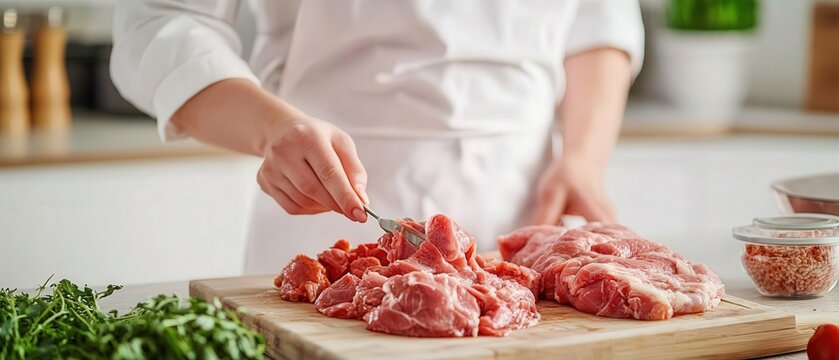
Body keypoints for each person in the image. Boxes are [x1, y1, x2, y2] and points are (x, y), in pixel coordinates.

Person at [111, 1, 644, 274]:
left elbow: (600, 18)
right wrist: (271, 127)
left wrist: (583, 157)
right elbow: (165, 22)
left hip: (525, 207)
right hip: (324, 205)